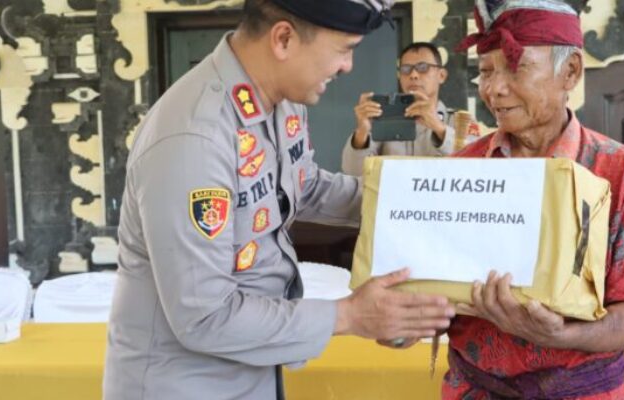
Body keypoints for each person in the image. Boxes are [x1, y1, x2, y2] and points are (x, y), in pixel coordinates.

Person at [103, 1, 456, 399]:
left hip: (251, 369)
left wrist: (411, 204)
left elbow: (304, 186)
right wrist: (351, 315)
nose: (348, 67)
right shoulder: (195, 139)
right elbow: (204, 315)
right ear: (284, 39)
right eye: (345, 48)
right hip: (186, 384)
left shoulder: (281, 99)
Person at [443, 1, 624, 399]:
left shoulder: (623, 172)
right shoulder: (461, 168)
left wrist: (563, 334)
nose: (493, 89)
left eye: (515, 67)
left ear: (571, 71)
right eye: (485, 71)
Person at [341, 42, 478, 176]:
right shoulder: (383, 118)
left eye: (423, 67)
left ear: (441, 75)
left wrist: (438, 128)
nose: (413, 75)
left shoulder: (461, 120)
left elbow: (476, 166)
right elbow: (353, 172)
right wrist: (362, 131)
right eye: (406, 69)